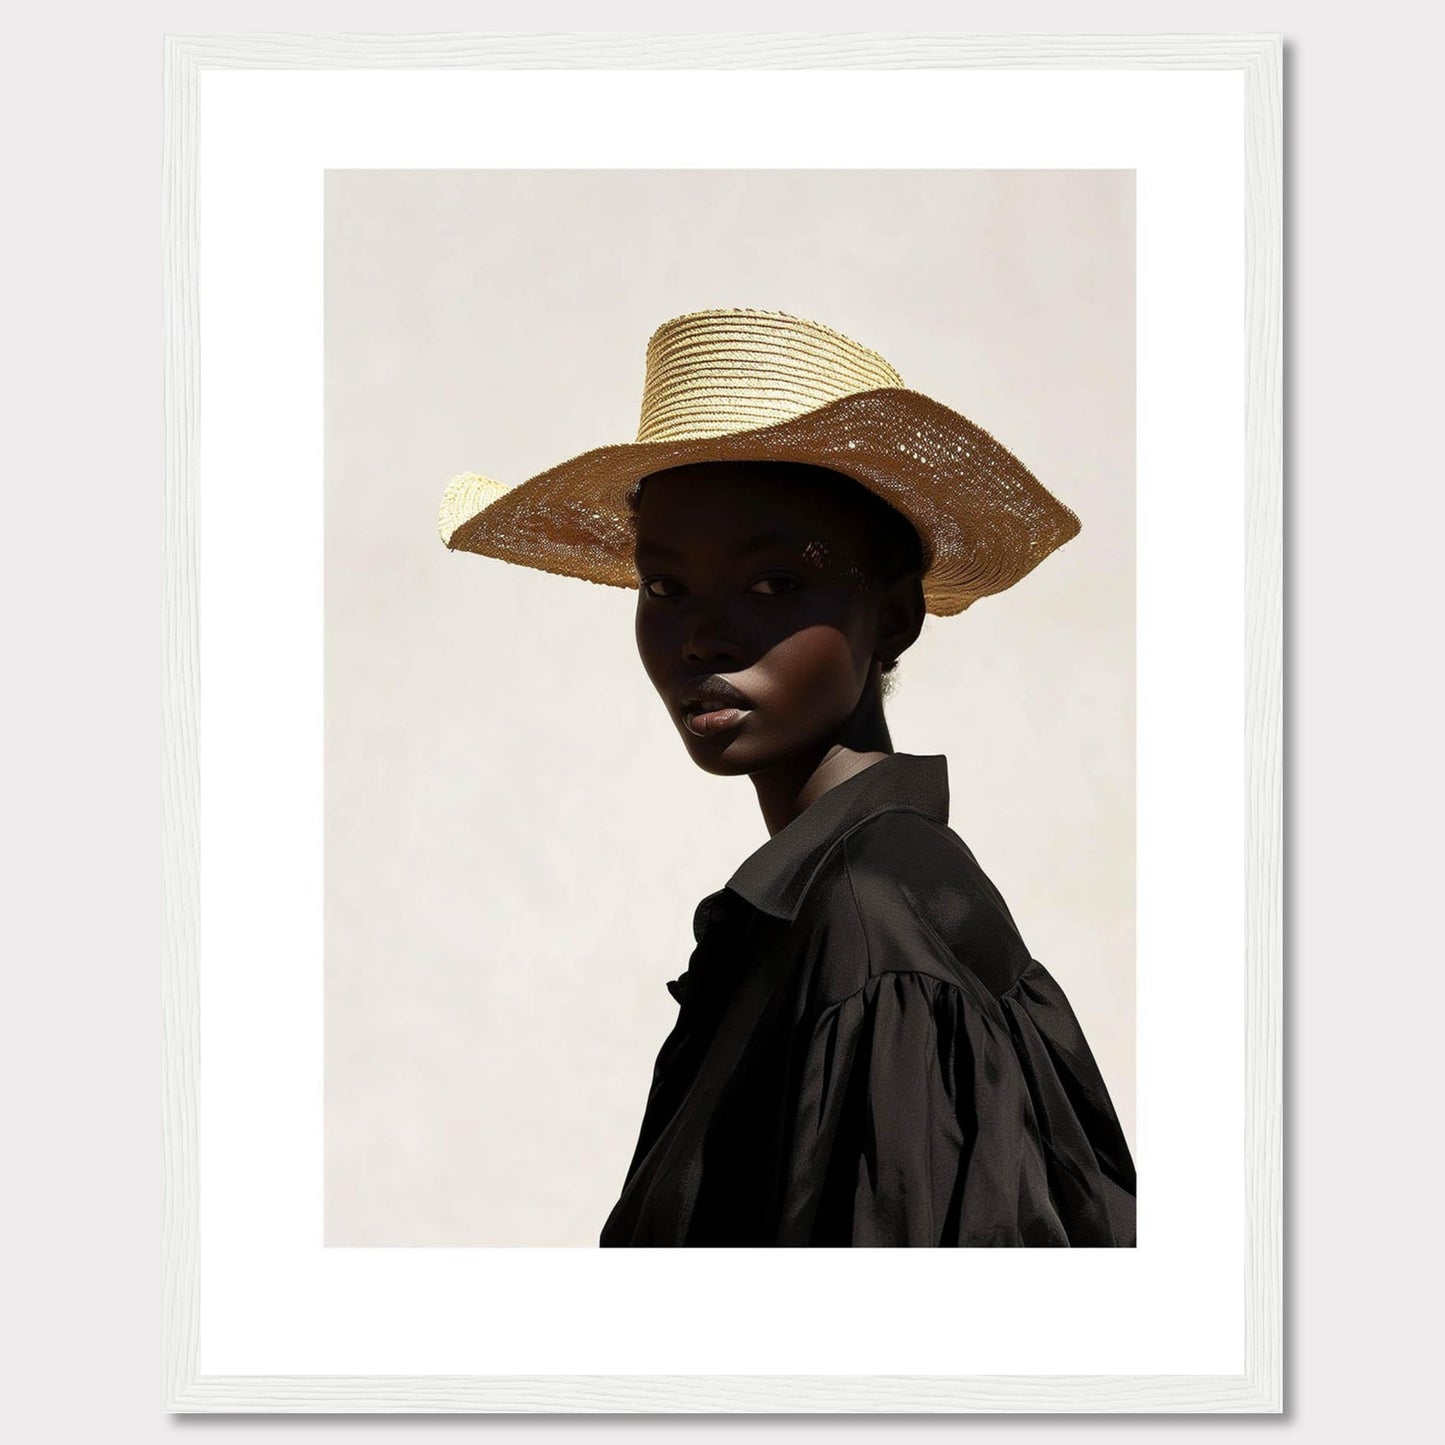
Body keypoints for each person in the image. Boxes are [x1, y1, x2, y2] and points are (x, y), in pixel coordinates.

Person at [438, 307, 1136, 1246]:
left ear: (892, 617)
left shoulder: (873, 927)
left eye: (771, 584)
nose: (702, 636)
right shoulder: (828, 908)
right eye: (663, 586)